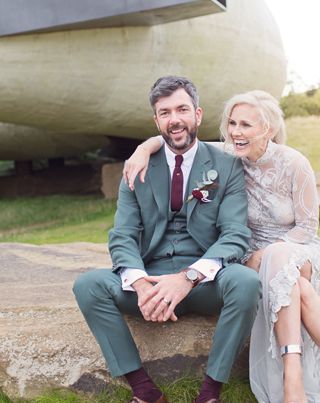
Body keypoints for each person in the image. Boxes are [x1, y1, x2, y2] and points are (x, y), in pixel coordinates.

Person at [124, 90, 320, 403]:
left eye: (246, 125)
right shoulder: (226, 157)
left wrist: (269, 252)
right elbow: (178, 138)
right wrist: (144, 147)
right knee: (297, 290)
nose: (236, 131)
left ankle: (293, 382)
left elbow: (307, 227)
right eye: (232, 123)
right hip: (251, 255)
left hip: (300, 248)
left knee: (281, 260)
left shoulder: (294, 163)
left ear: (268, 130)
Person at [73, 76, 261, 403]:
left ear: (197, 115)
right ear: (156, 120)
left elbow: (235, 235)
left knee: (246, 283)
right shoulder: (137, 166)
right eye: (165, 112)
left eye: (182, 109)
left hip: (205, 281)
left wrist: (187, 279)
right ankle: (145, 391)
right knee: (88, 285)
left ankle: (210, 393)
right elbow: (123, 236)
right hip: (151, 278)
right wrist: (143, 285)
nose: (174, 119)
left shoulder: (226, 166)